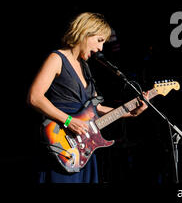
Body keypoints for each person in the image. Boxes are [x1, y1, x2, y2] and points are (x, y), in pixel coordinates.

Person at [27, 12, 151, 183]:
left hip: (84, 148)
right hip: (62, 145)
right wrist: (69, 120)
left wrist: (131, 112)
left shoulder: (85, 68)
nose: (101, 48)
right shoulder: (57, 58)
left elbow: (97, 109)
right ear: (86, 32)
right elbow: (35, 97)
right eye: (100, 40)